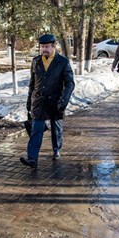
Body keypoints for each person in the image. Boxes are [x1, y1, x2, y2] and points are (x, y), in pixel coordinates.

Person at [20, 34, 75, 169]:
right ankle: (32, 158)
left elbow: (70, 83)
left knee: (56, 129)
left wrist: (64, 100)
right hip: (39, 101)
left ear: (53, 46)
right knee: (36, 129)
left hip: (56, 101)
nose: (44, 49)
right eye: (42, 47)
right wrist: (29, 101)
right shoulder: (36, 61)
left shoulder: (62, 62)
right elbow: (32, 84)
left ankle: (56, 149)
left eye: (47, 47)